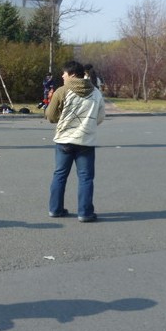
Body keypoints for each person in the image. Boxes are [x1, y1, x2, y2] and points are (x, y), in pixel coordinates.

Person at [46, 60, 105, 223]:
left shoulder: (62, 91)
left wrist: (63, 119)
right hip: (86, 140)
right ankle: (85, 213)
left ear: (72, 75)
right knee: (85, 178)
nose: (62, 76)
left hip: (64, 140)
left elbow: (50, 116)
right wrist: (87, 124)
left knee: (60, 175)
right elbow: (100, 117)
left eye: (64, 73)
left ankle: (55, 209)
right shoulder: (96, 92)